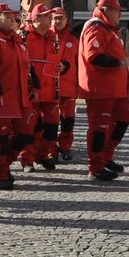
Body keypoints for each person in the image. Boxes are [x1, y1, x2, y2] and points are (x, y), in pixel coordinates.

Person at [78, 0, 129, 182]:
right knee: (98, 128)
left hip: (113, 88)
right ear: (107, 10)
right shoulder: (96, 27)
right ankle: (96, 167)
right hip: (100, 88)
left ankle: (106, 157)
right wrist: (118, 62)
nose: (120, 14)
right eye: (118, 10)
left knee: (124, 118)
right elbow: (93, 56)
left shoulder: (107, 29)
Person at [0, 4, 34, 189]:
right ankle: (0, 175)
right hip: (4, 97)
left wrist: (32, 86)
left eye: (13, 16)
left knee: (25, 134)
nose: (13, 18)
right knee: (2, 139)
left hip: (21, 96)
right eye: (8, 16)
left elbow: (27, 66)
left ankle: (5, 166)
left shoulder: (17, 39)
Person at [20, 5, 61, 171]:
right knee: (29, 127)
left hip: (51, 88)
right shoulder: (24, 36)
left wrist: (63, 65)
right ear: (36, 19)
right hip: (32, 90)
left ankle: (42, 155)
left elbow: (59, 59)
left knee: (52, 126)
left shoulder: (53, 36)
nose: (50, 18)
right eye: (46, 15)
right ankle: (27, 160)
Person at [52, 8, 80, 161]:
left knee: (68, 121)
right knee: (50, 123)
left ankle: (65, 148)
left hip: (69, 88)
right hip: (50, 89)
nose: (58, 21)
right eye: (55, 18)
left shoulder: (74, 39)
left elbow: (79, 63)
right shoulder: (47, 37)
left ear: (66, 19)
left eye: (60, 18)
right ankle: (52, 150)